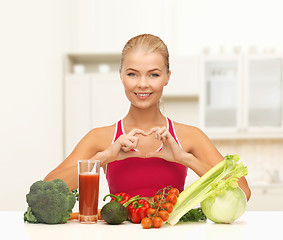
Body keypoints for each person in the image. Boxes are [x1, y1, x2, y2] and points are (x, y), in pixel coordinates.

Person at [44, 34, 251, 201]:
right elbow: (47, 190)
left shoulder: (189, 136)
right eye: (132, 74)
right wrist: (104, 157)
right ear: (121, 75)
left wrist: (185, 159)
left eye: (153, 74)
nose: (142, 84)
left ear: (167, 77)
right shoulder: (101, 137)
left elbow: (242, 191)